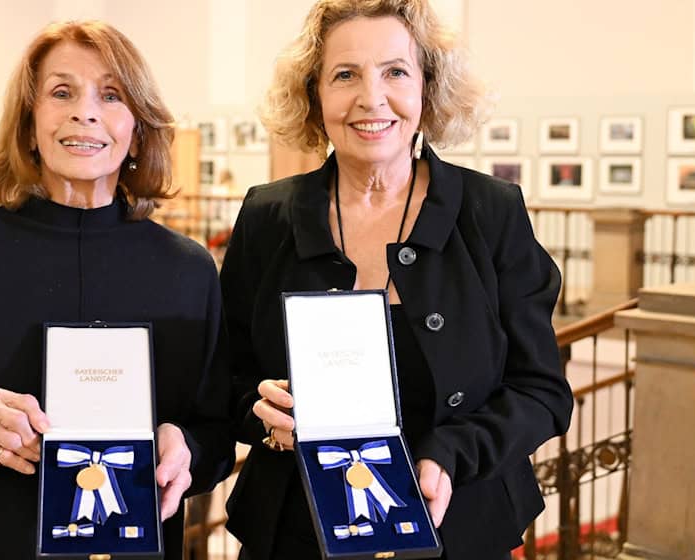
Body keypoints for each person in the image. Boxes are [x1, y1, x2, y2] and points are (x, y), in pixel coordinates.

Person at [0, 20, 234, 559]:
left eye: (111, 95)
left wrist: (189, 448)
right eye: (61, 92)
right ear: (29, 123)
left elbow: (217, 433)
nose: (86, 111)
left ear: (137, 128)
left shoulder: (188, 269)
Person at [219, 1, 573, 559]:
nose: (371, 98)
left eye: (395, 72)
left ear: (427, 88)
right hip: (294, 530)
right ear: (315, 94)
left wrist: (451, 453)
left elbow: (542, 392)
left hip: (459, 524)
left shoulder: (490, 211)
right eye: (345, 75)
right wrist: (256, 411)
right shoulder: (268, 215)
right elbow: (229, 376)